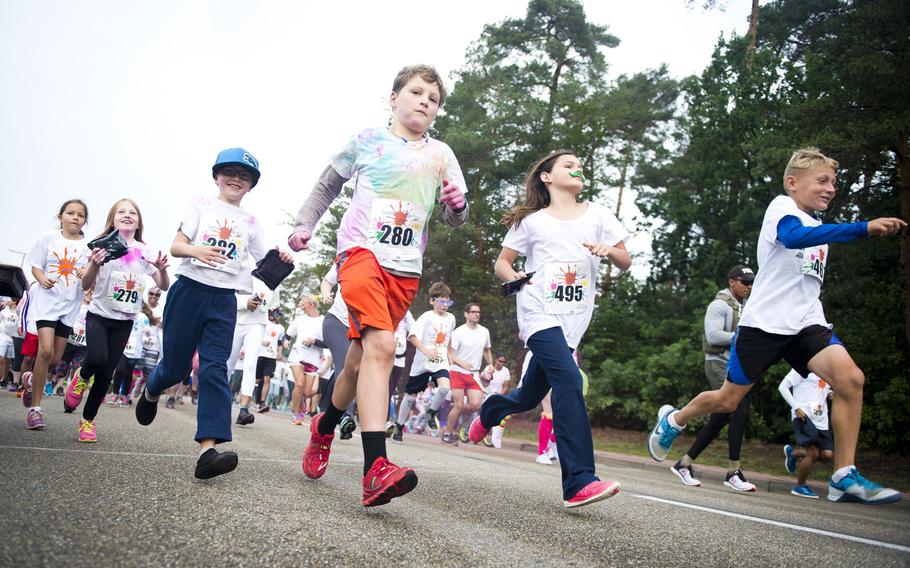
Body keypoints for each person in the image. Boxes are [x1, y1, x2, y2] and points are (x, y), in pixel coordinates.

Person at [647, 147, 905, 505]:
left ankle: (843, 474)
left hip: (806, 323)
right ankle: (675, 419)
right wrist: (863, 228)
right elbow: (793, 237)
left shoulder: (820, 227)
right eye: (823, 181)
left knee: (851, 379)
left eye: (834, 182)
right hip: (764, 325)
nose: (831, 188)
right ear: (792, 183)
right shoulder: (782, 207)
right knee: (728, 400)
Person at [289, 64, 468, 506]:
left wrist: (457, 205)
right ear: (394, 98)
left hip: (405, 268)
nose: (425, 101)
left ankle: (324, 426)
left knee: (357, 360)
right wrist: (303, 224)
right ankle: (376, 468)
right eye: (417, 92)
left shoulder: (441, 154)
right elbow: (325, 187)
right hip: (360, 255)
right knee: (384, 347)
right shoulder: (367, 140)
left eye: (434, 98)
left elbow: (455, 216)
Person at [468, 150, 631, 508]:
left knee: (527, 397)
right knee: (570, 381)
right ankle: (579, 481)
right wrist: (514, 279)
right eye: (568, 165)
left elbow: (625, 261)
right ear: (546, 176)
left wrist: (609, 251)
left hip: (574, 319)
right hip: (538, 312)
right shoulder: (532, 221)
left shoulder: (600, 215)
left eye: (580, 166)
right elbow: (503, 263)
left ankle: (490, 412)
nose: (578, 170)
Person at [135, 147, 293, 479]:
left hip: (224, 300)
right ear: (216, 177)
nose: (236, 179)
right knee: (176, 368)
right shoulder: (200, 205)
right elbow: (177, 246)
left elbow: (267, 261)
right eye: (229, 173)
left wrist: (285, 258)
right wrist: (196, 250)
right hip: (189, 290)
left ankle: (208, 451)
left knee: (214, 369)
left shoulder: (250, 221)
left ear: (251, 185)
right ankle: (151, 389)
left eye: (244, 176)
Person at [69, 198, 170, 442]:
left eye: (132, 212)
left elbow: (163, 285)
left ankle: (87, 422)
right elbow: (85, 284)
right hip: (99, 316)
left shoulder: (145, 251)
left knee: (105, 374)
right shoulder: (100, 246)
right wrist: (94, 263)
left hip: (124, 322)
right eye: (121, 212)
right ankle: (82, 376)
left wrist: (162, 268)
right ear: (112, 219)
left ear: (138, 221)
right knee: (97, 358)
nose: (127, 215)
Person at [670, 265, 757, 492]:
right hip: (718, 362)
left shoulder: (744, 306)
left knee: (721, 418)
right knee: (739, 408)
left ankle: (684, 463)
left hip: (735, 365)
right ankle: (733, 472)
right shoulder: (719, 305)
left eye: (751, 282)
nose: (749, 286)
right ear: (731, 282)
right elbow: (713, 335)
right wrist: (744, 337)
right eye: (744, 281)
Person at [22, 199, 90, 429]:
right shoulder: (48, 239)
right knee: (45, 351)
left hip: (70, 306)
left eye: (80, 215)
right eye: (70, 213)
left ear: (84, 221)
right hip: (47, 302)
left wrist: (86, 271)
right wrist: (42, 279)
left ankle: (32, 379)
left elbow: (92, 274)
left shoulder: (88, 246)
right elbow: (34, 264)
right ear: (60, 216)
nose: (75, 218)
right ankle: (35, 409)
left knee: (55, 359)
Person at [392, 282, 456, 442]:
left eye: (447, 301)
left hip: (440, 361)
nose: (445, 304)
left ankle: (431, 412)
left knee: (444, 388)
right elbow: (412, 336)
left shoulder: (452, 318)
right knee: (411, 396)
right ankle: (399, 426)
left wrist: (449, 352)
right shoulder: (426, 317)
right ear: (432, 301)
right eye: (441, 300)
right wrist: (426, 350)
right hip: (422, 362)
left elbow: (449, 337)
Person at [226, 276, 277, 424]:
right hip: (236, 320)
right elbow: (227, 293)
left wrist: (272, 310)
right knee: (228, 363)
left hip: (257, 323)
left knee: (250, 365)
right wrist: (244, 302)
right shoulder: (244, 267)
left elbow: (273, 307)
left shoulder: (275, 279)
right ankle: (216, 402)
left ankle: (243, 410)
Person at [442, 302, 493, 445]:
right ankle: (447, 433)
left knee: (476, 404)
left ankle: (455, 415)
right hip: (457, 371)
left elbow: (487, 349)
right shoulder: (459, 332)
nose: (477, 314)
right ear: (466, 314)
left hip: (473, 374)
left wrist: (490, 364)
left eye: (478, 312)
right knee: (458, 404)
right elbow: (449, 353)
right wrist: (462, 363)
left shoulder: (484, 331)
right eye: (473, 312)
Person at [779, 369, 834, 499]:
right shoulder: (801, 367)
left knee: (828, 455)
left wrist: (829, 392)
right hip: (803, 416)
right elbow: (782, 387)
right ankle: (800, 486)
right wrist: (796, 407)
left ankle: (794, 454)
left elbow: (819, 389)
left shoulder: (826, 370)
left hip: (821, 419)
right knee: (813, 453)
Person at [317, 264, 357, 438]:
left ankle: (326, 408)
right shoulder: (346, 257)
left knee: (349, 370)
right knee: (347, 366)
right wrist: (326, 293)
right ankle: (346, 415)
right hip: (337, 321)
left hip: (361, 326)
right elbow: (327, 281)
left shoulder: (384, 260)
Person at [286, 296, 323, 423]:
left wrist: (315, 341)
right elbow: (288, 335)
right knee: (299, 383)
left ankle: (299, 405)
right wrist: (286, 341)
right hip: (297, 354)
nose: (301, 306)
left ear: (312, 304)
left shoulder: (323, 321)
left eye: (304, 304)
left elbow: (328, 342)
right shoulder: (300, 319)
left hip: (313, 358)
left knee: (307, 393)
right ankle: (296, 413)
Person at [482, 354, 511, 448]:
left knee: (497, 415)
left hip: (497, 396)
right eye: (500, 361)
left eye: (503, 362)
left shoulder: (505, 371)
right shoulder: (488, 368)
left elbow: (506, 386)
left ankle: (493, 437)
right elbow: (484, 383)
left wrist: (500, 396)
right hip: (486, 394)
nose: (501, 363)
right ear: (495, 360)